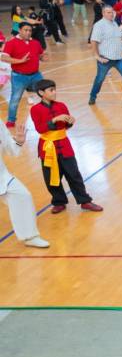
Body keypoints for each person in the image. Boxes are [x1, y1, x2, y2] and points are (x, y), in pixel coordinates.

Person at [30, 80, 103, 214]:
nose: (54, 92)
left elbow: (66, 125)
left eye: (54, 89)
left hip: (64, 146)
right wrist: (54, 120)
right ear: (41, 93)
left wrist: (70, 122)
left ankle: (85, 201)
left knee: (74, 174)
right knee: (52, 177)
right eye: (51, 90)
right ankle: (59, 201)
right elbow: (40, 129)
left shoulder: (62, 105)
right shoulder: (35, 109)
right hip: (47, 148)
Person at [0, 122, 49, 248]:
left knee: (23, 196)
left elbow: (10, 149)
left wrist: (18, 141)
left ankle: (29, 237)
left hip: (2, 176)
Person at [89, 6, 122, 106]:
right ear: (103, 13)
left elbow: (116, 39)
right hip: (105, 59)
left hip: (119, 58)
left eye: (112, 12)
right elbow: (93, 41)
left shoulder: (114, 23)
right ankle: (92, 96)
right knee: (99, 79)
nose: (111, 14)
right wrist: (97, 56)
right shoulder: (99, 25)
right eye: (108, 12)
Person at [1, 22, 47, 128]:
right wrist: (20, 61)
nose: (28, 32)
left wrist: (43, 57)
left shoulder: (35, 43)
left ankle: (47, 115)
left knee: (46, 93)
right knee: (15, 98)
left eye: (30, 30)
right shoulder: (11, 43)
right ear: (20, 30)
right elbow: (4, 58)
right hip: (19, 77)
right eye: (26, 30)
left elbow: (41, 54)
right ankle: (11, 120)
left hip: (36, 75)